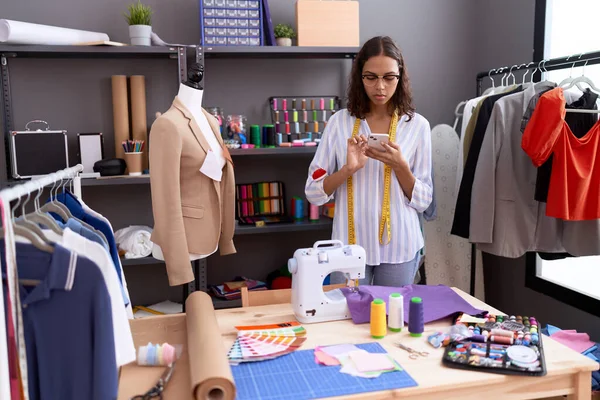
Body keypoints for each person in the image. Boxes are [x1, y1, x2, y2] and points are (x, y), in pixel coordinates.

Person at [305, 36, 433, 287]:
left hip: (401, 246)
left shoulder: (417, 126)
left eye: (389, 77)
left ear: (400, 76)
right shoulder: (339, 123)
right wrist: (348, 170)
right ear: (359, 77)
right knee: (348, 322)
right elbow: (313, 192)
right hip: (348, 247)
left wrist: (400, 166)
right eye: (371, 77)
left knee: (392, 322)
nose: (380, 87)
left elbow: (424, 200)